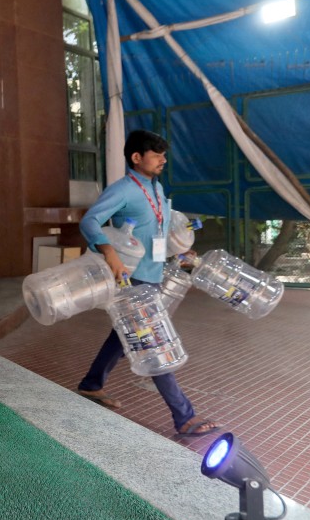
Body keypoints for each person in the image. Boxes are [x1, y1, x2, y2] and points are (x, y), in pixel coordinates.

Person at [77, 129, 220, 437]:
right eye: (157, 156)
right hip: (131, 279)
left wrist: (179, 251)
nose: (163, 161)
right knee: (152, 344)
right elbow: (89, 220)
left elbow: (157, 232)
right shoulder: (124, 189)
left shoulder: (157, 190)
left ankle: (91, 385)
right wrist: (110, 253)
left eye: (164, 155)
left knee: (123, 336)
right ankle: (184, 416)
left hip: (152, 276)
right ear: (136, 157)